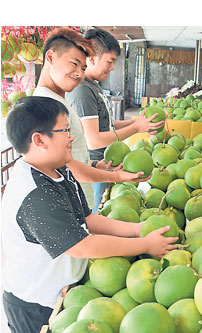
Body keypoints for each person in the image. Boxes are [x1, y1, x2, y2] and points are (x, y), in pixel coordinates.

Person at [1, 96, 178, 333]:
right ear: (39, 140)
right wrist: (144, 245)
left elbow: (86, 218)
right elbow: (82, 246)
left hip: (62, 291)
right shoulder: (35, 194)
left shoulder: (56, 169)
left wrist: (137, 230)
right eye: (64, 131)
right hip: (36, 303)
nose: (72, 137)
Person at [34, 27, 153, 212]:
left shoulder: (60, 100)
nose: (79, 74)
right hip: (66, 206)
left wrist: (94, 164)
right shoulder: (46, 106)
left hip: (79, 196)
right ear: (50, 58)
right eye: (73, 63)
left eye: (82, 67)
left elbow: (67, 157)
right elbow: (69, 165)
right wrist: (117, 176)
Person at [67, 28, 162, 212]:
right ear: (92, 58)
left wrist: (136, 123)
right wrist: (135, 129)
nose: (112, 68)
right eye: (110, 62)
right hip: (94, 168)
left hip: (105, 165)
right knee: (95, 212)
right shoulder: (82, 91)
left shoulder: (93, 86)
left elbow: (108, 125)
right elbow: (93, 140)